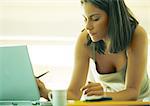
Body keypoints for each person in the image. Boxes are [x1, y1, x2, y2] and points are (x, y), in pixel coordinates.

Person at [37, 0, 150, 101]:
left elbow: (132, 92)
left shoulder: (137, 35)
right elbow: (74, 93)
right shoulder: (85, 40)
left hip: (143, 101)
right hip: (109, 102)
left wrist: (102, 95)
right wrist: (46, 93)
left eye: (95, 18)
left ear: (113, 17)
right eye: (85, 18)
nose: (87, 26)